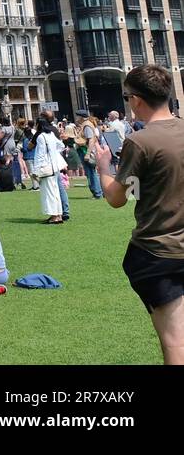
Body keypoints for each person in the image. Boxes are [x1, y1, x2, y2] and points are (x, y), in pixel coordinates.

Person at [95, 64, 184, 364]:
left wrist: (103, 167)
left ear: (136, 100)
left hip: (158, 252)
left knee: (175, 343)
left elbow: (117, 198)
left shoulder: (140, 141)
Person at [33, 122, 68, 224]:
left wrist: (36, 170)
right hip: (55, 166)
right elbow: (61, 145)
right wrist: (53, 152)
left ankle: (54, 216)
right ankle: (58, 215)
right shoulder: (51, 135)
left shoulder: (41, 137)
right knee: (55, 191)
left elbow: (40, 154)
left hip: (46, 167)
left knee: (49, 193)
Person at [77, 116, 104, 200]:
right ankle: (98, 192)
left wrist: (88, 154)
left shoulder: (87, 126)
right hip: (86, 150)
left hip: (86, 150)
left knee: (91, 173)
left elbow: (91, 140)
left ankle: (97, 193)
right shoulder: (87, 125)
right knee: (91, 173)